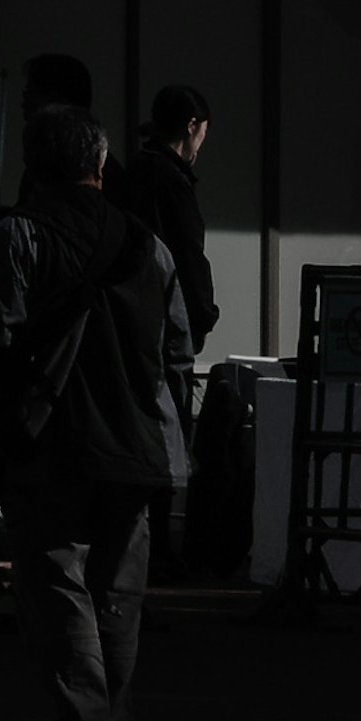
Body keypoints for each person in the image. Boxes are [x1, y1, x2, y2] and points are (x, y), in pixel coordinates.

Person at [0, 100, 177, 721]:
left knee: (56, 582)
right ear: (101, 165)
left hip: (47, 436)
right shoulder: (149, 245)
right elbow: (179, 346)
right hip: (136, 441)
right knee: (117, 589)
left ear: (34, 167)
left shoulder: (19, 236)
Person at [111, 83, 217, 565]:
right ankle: (160, 556)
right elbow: (188, 260)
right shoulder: (173, 182)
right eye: (203, 135)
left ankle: (138, 549)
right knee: (168, 438)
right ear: (192, 127)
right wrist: (203, 316)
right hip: (168, 330)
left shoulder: (133, 173)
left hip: (127, 323)